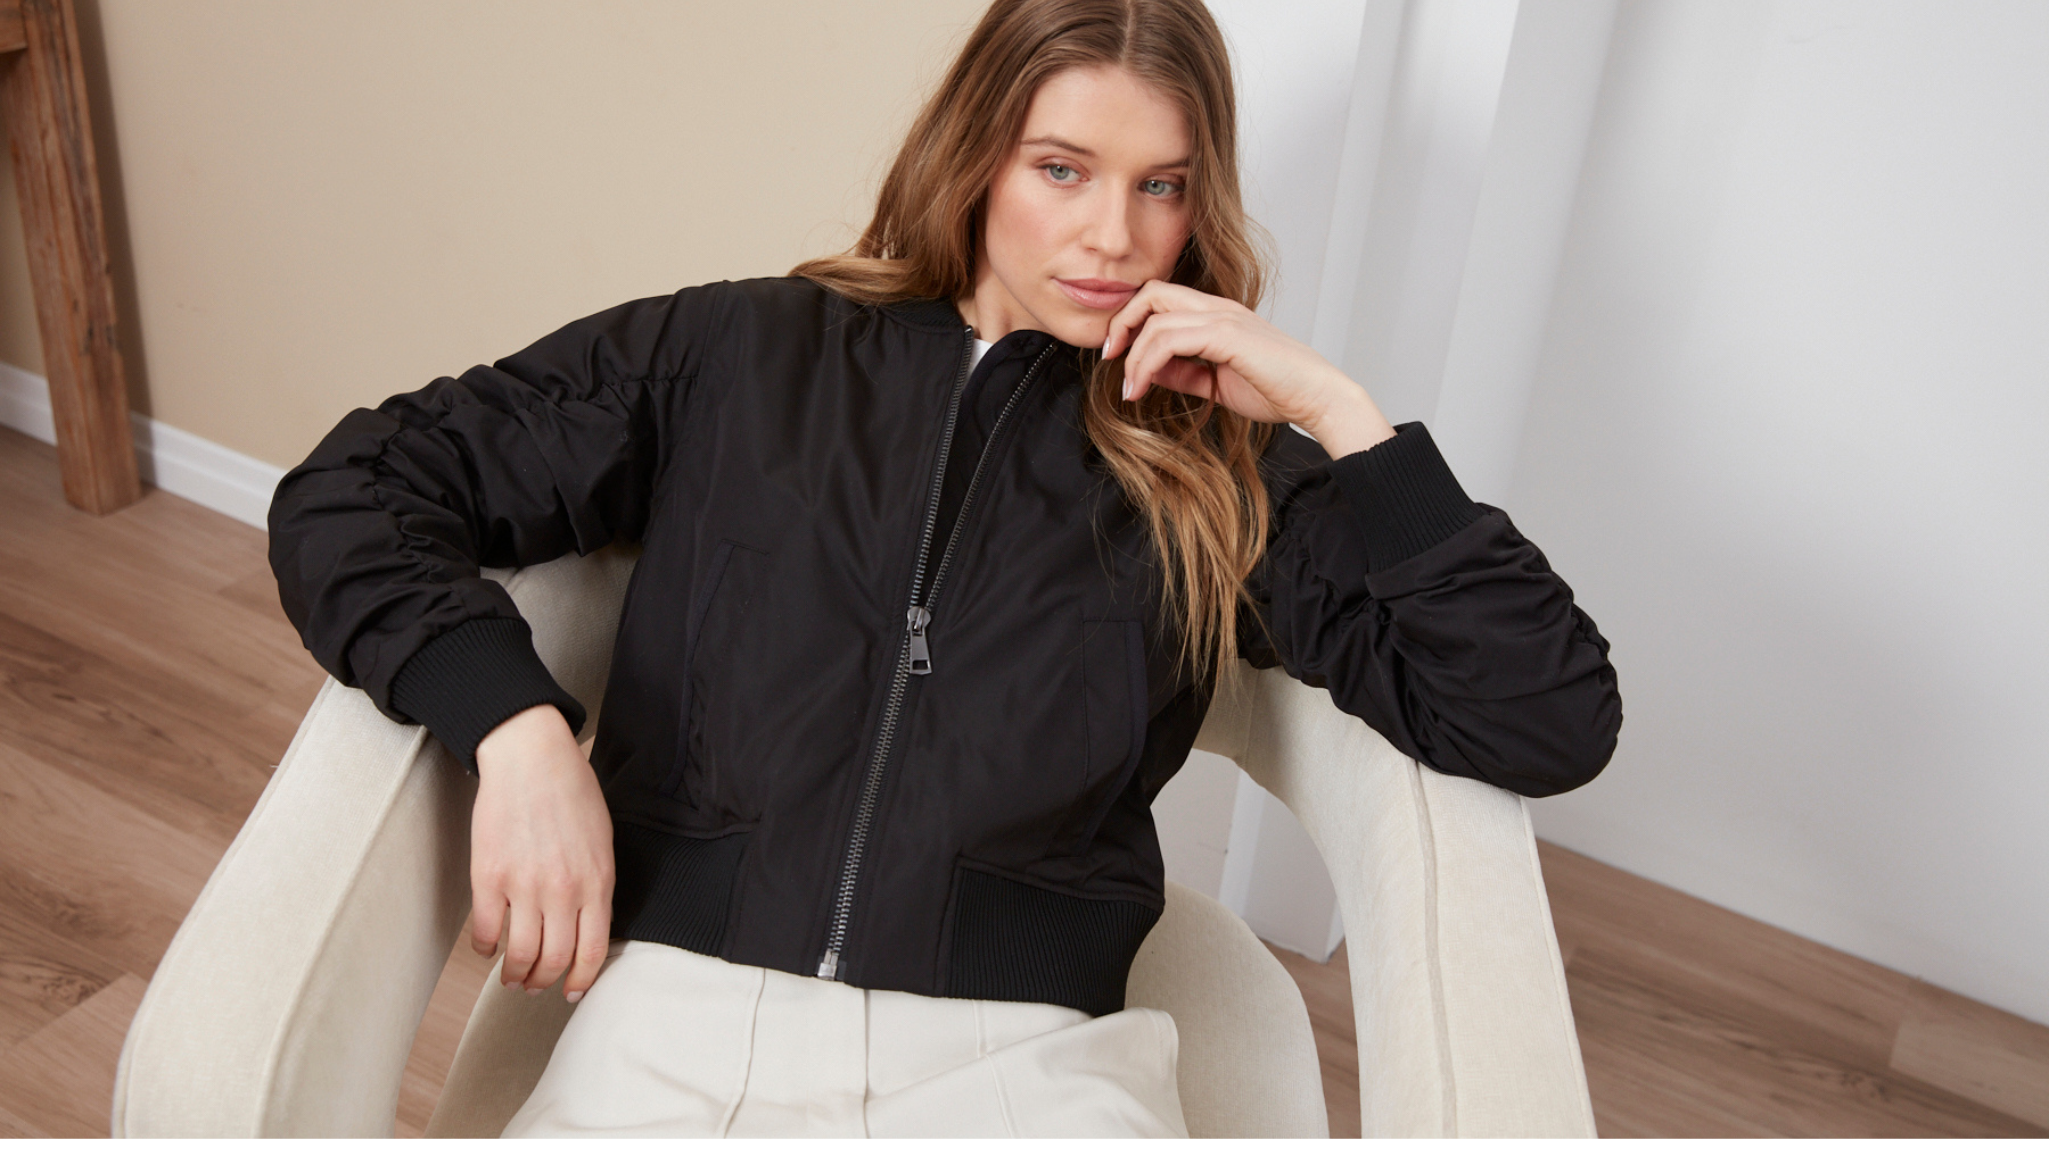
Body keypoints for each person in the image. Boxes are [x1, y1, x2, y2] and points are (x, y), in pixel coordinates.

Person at [268, 0, 1621, 1136]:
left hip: (1031, 1066)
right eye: (1063, 170)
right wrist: (516, 730)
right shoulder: (734, 356)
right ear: (976, 154)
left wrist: (1345, 417)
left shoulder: (1217, 463)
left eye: (1161, 186)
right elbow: (356, 489)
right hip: (675, 1022)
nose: (1113, 237)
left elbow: (1543, 715)